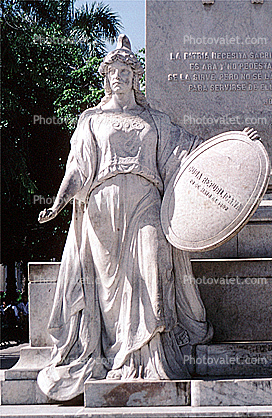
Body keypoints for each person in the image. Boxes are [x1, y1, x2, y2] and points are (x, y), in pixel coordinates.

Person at [37, 35, 213, 401]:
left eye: (125, 70)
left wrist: (236, 146)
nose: (118, 76)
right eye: (112, 71)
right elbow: (78, 169)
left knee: (152, 264)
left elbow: (193, 152)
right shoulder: (91, 120)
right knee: (109, 292)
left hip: (146, 200)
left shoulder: (156, 120)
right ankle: (115, 356)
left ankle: (150, 359)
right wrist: (57, 203)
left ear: (136, 77)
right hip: (101, 209)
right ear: (106, 79)